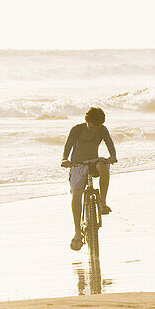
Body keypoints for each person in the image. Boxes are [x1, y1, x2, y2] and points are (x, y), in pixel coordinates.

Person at [61, 107, 117, 251]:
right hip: (77, 164)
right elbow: (68, 145)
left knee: (104, 166)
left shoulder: (102, 130)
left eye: (96, 127)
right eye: (91, 126)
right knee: (76, 193)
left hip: (94, 161)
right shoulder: (77, 129)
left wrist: (112, 156)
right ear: (87, 121)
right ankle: (77, 232)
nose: (94, 130)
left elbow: (110, 143)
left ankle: (102, 202)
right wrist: (64, 159)